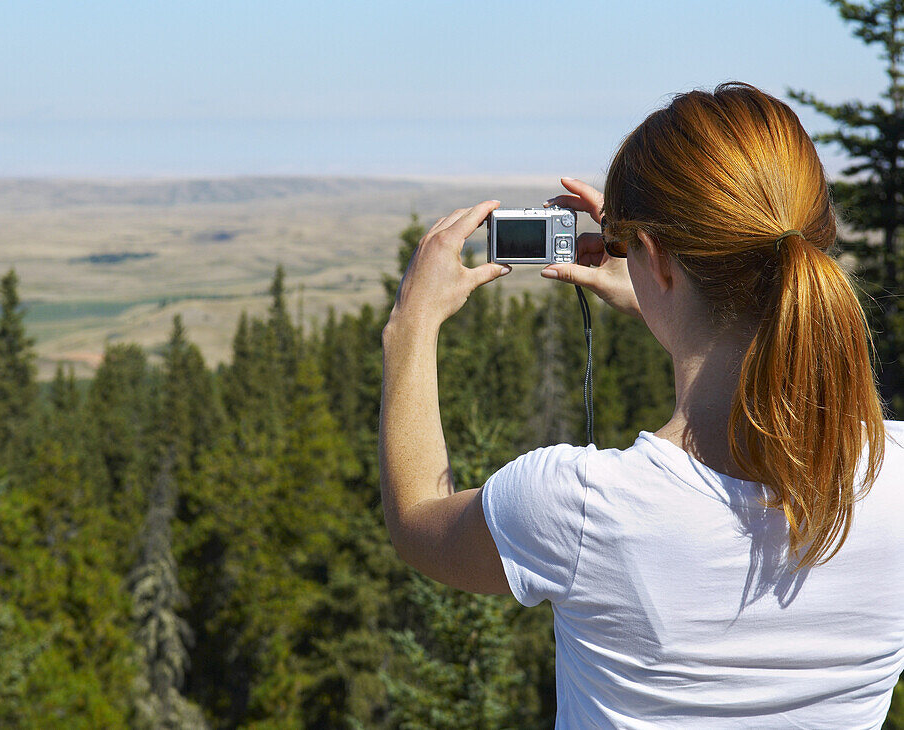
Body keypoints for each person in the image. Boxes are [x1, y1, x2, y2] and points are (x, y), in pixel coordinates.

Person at [378, 81, 904, 728]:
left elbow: (417, 519)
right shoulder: (896, 477)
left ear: (655, 262)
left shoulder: (579, 508)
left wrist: (410, 328)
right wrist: (668, 296)